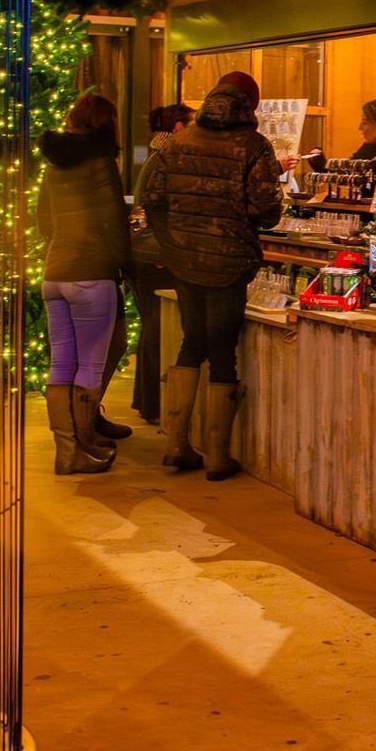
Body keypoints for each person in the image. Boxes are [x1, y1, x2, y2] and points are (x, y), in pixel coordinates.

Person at [140, 71, 283, 481]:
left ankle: (177, 443)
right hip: (229, 261)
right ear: (249, 105)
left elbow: (153, 199)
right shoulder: (253, 146)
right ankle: (218, 455)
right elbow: (266, 210)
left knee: (192, 342)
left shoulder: (179, 141)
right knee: (223, 351)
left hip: (184, 261)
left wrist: (172, 245)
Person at [36, 92, 130, 475]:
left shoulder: (53, 163)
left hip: (55, 274)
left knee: (61, 365)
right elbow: (113, 222)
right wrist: (121, 266)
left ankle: (67, 450)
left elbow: (43, 219)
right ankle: (83, 440)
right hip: (93, 275)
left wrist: (61, 247)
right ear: (106, 124)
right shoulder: (102, 161)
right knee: (91, 365)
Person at [128, 103, 195, 423]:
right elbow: (161, 208)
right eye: (192, 124)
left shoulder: (157, 154)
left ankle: (148, 401)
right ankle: (154, 404)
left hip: (144, 251)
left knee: (152, 328)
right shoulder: (169, 158)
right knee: (158, 329)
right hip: (155, 253)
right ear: (180, 128)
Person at [293, 97, 376, 178]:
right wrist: (321, 164)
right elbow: (347, 174)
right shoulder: (369, 149)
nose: (360, 128)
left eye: (365, 122)